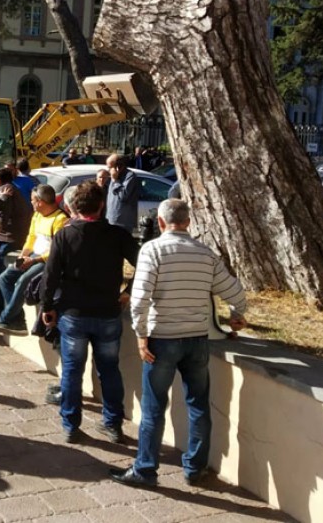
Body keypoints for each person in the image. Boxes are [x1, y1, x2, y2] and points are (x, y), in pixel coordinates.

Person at [110, 198, 247, 488]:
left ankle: (145, 469)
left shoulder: (153, 250)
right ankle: (195, 468)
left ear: (160, 222)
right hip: (197, 339)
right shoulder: (205, 253)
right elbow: (235, 291)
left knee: (154, 406)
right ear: (188, 222)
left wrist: (141, 335)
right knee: (198, 404)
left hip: (161, 339)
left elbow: (140, 297)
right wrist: (237, 314)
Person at [41, 181, 140, 443]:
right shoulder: (117, 234)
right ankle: (112, 423)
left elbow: (50, 275)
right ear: (101, 205)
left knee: (72, 371)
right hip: (107, 311)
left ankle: (70, 424)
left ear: (75, 207)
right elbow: (144, 263)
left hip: (74, 313)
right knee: (109, 370)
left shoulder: (65, 235)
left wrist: (47, 306)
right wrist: (128, 291)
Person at [0, 184, 67, 334]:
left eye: (32, 200)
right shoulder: (37, 215)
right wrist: (23, 255)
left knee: (23, 281)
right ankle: (16, 318)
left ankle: (5, 319)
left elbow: (56, 251)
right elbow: (31, 237)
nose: (31, 203)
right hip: (34, 256)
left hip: (47, 261)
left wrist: (34, 260)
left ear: (40, 202)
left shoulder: (60, 219)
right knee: (5, 278)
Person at [0, 166, 32, 313]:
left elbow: (2, 215)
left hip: (7, 238)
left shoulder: (4, 190)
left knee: (2, 275)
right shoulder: (13, 188)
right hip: (16, 236)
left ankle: (4, 309)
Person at [106, 153, 140, 232]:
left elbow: (123, 196)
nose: (108, 170)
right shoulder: (112, 176)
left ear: (118, 167)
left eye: (110, 167)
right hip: (110, 219)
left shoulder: (130, 176)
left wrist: (115, 181)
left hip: (122, 222)